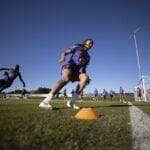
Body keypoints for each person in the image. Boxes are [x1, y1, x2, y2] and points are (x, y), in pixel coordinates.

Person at [39, 39, 93, 109]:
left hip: (76, 72)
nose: (91, 44)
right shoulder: (78, 46)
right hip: (68, 67)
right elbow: (64, 52)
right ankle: (45, 102)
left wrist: (86, 79)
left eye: (92, 44)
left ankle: (72, 102)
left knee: (85, 77)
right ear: (85, 42)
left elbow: (83, 69)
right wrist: (63, 58)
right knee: (66, 79)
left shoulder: (88, 57)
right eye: (90, 42)